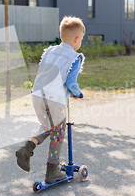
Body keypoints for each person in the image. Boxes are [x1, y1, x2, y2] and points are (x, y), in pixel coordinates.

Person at [15, 16, 86, 183]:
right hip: (55, 99)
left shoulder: (49, 51)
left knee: (47, 125)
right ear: (77, 39)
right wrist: (77, 93)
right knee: (58, 133)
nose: (80, 42)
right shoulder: (75, 57)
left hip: (38, 95)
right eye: (81, 39)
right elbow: (71, 82)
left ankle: (27, 147)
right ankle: (52, 170)